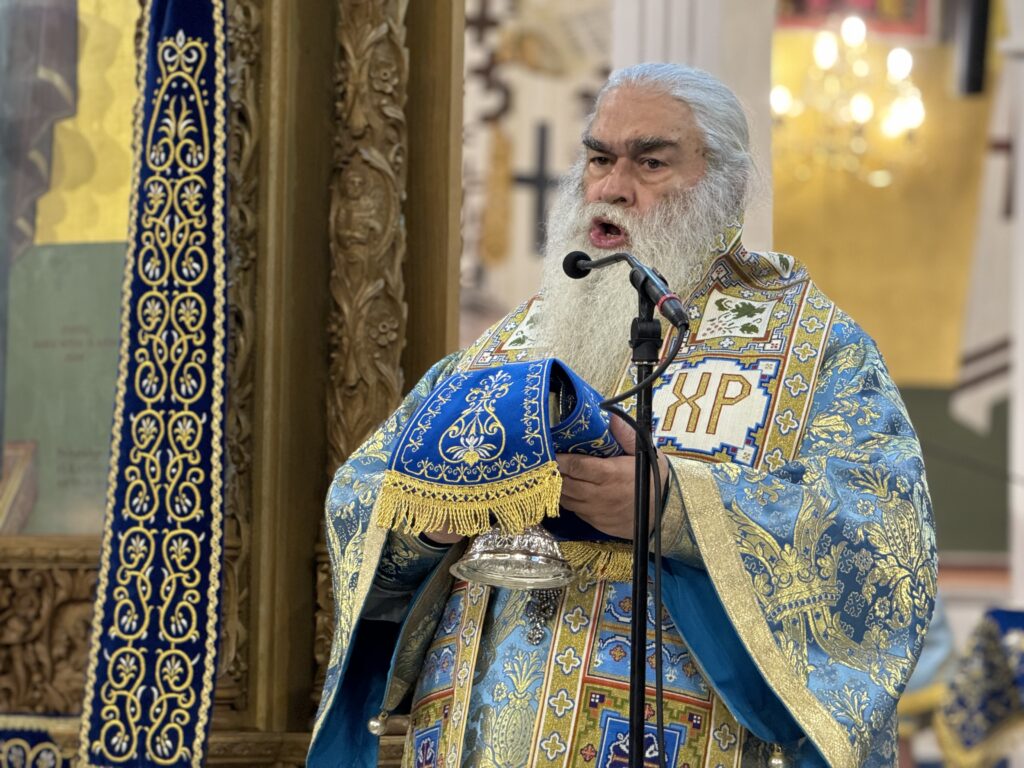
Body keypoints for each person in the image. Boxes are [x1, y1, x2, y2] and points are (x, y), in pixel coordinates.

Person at [307, 62, 937, 768]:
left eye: (650, 161)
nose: (611, 186)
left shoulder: (812, 349)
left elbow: (884, 544)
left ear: (725, 182)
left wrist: (674, 507)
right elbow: (362, 496)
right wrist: (435, 516)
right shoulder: (508, 346)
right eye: (599, 158)